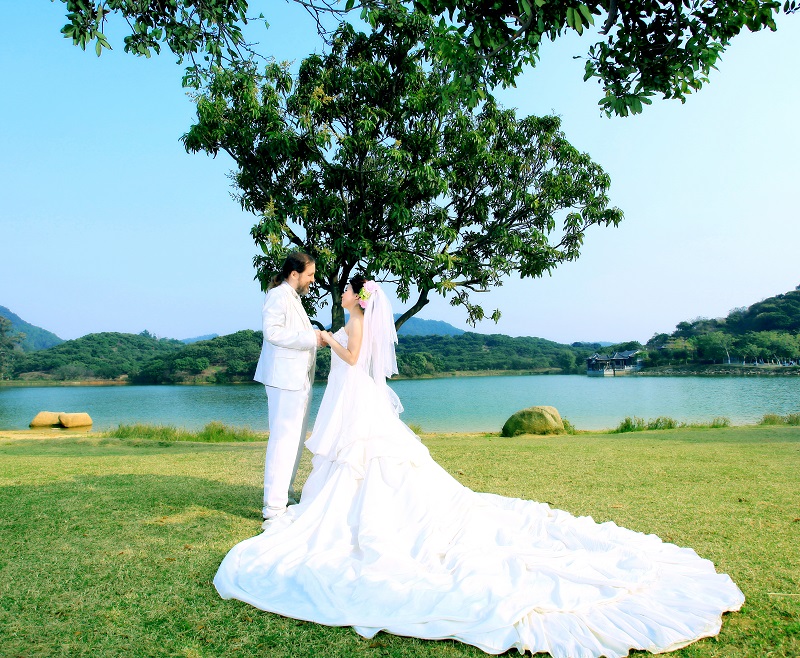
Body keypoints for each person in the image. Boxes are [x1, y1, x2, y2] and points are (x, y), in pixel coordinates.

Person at [216, 275, 744, 657]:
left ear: (360, 300)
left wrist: (331, 340)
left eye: (353, 292)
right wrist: (331, 337)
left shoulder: (352, 322)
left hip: (357, 403)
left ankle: (316, 511)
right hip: (356, 403)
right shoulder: (348, 315)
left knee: (365, 462)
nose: (347, 294)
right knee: (355, 462)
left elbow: (354, 360)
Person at [253, 251, 322, 522]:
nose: (313, 280)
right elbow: (272, 333)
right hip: (284, 379)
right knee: (283, 440)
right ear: (294, 274)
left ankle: (284, 495)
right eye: (310, 275)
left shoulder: (293, 298)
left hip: (297, 379)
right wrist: (312, 338)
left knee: (294, 439)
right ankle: (273, 508)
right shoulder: (277, 296)